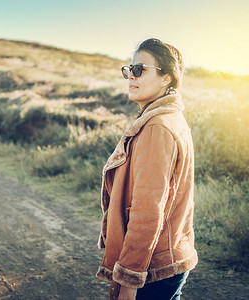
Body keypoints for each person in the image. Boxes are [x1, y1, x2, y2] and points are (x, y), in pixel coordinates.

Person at [96, 38, 197, 300]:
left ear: (166, 78)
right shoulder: (168, 118)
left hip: (151, 269)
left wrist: (129, 280)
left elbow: (147, 211)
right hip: (166, 258)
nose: (131, 77)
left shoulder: (156, 128)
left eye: (139, 70)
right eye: (128, 70)